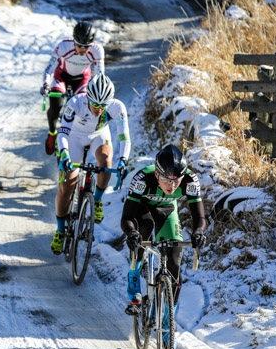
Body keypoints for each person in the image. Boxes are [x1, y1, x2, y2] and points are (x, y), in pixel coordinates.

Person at [120, 144, 207, 317]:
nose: (172, 186)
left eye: (176, 181)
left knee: (174, 261)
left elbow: (200, 217)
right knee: (144, 228)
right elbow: (127, 217)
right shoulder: (142, 179)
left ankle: (169, 316)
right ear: (157, 174)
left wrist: (199, 232)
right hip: (142, 208)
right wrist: (131, 233)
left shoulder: (190, 180)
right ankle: (134, 273)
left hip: (167, 211)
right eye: (167, 180)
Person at [51, 73, 130, 255]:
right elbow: (62, 132)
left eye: (103, 106)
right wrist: (64, 155)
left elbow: (125, 137)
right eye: (95, 105)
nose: (99, 110)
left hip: (98, 136)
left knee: (106, 161)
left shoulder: (117, 107)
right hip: (74, 138)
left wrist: (124, 160)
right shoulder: (75, 103)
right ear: (88, 97)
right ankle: (61, 230)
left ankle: (97, 200)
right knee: (67, 184)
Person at [40, 21, 105, 156]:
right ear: (73, 41)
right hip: (62, 76)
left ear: (91, 44)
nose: (82, 50)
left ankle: (78, 138)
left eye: (86, 46)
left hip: (82, 79)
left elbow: (100, 75)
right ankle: (52, 132)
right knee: (56, 106)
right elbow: (49, 69)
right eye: (79, 45)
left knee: (81, 109)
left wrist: (98, 92)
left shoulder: (97, 50)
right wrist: (46, 85)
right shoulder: (63, 46)